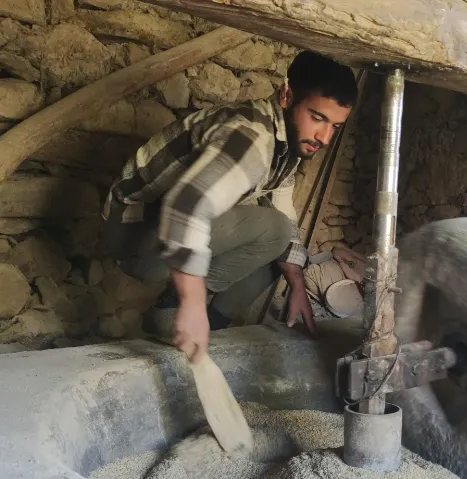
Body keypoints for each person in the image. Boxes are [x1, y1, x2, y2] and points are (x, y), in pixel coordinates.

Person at [101, 51, 358, 363]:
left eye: (335, 126)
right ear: (286, 95)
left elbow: (283, 204)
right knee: (273, 229)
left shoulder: (287, 144)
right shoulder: (251, 137)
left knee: (279, 254)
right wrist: (192, 303)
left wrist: (297, 284)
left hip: (165, 232)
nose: (324, 137)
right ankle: (174, 311)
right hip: (134, 235)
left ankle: (211, 330)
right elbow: (184, 208)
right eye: (317, 118)